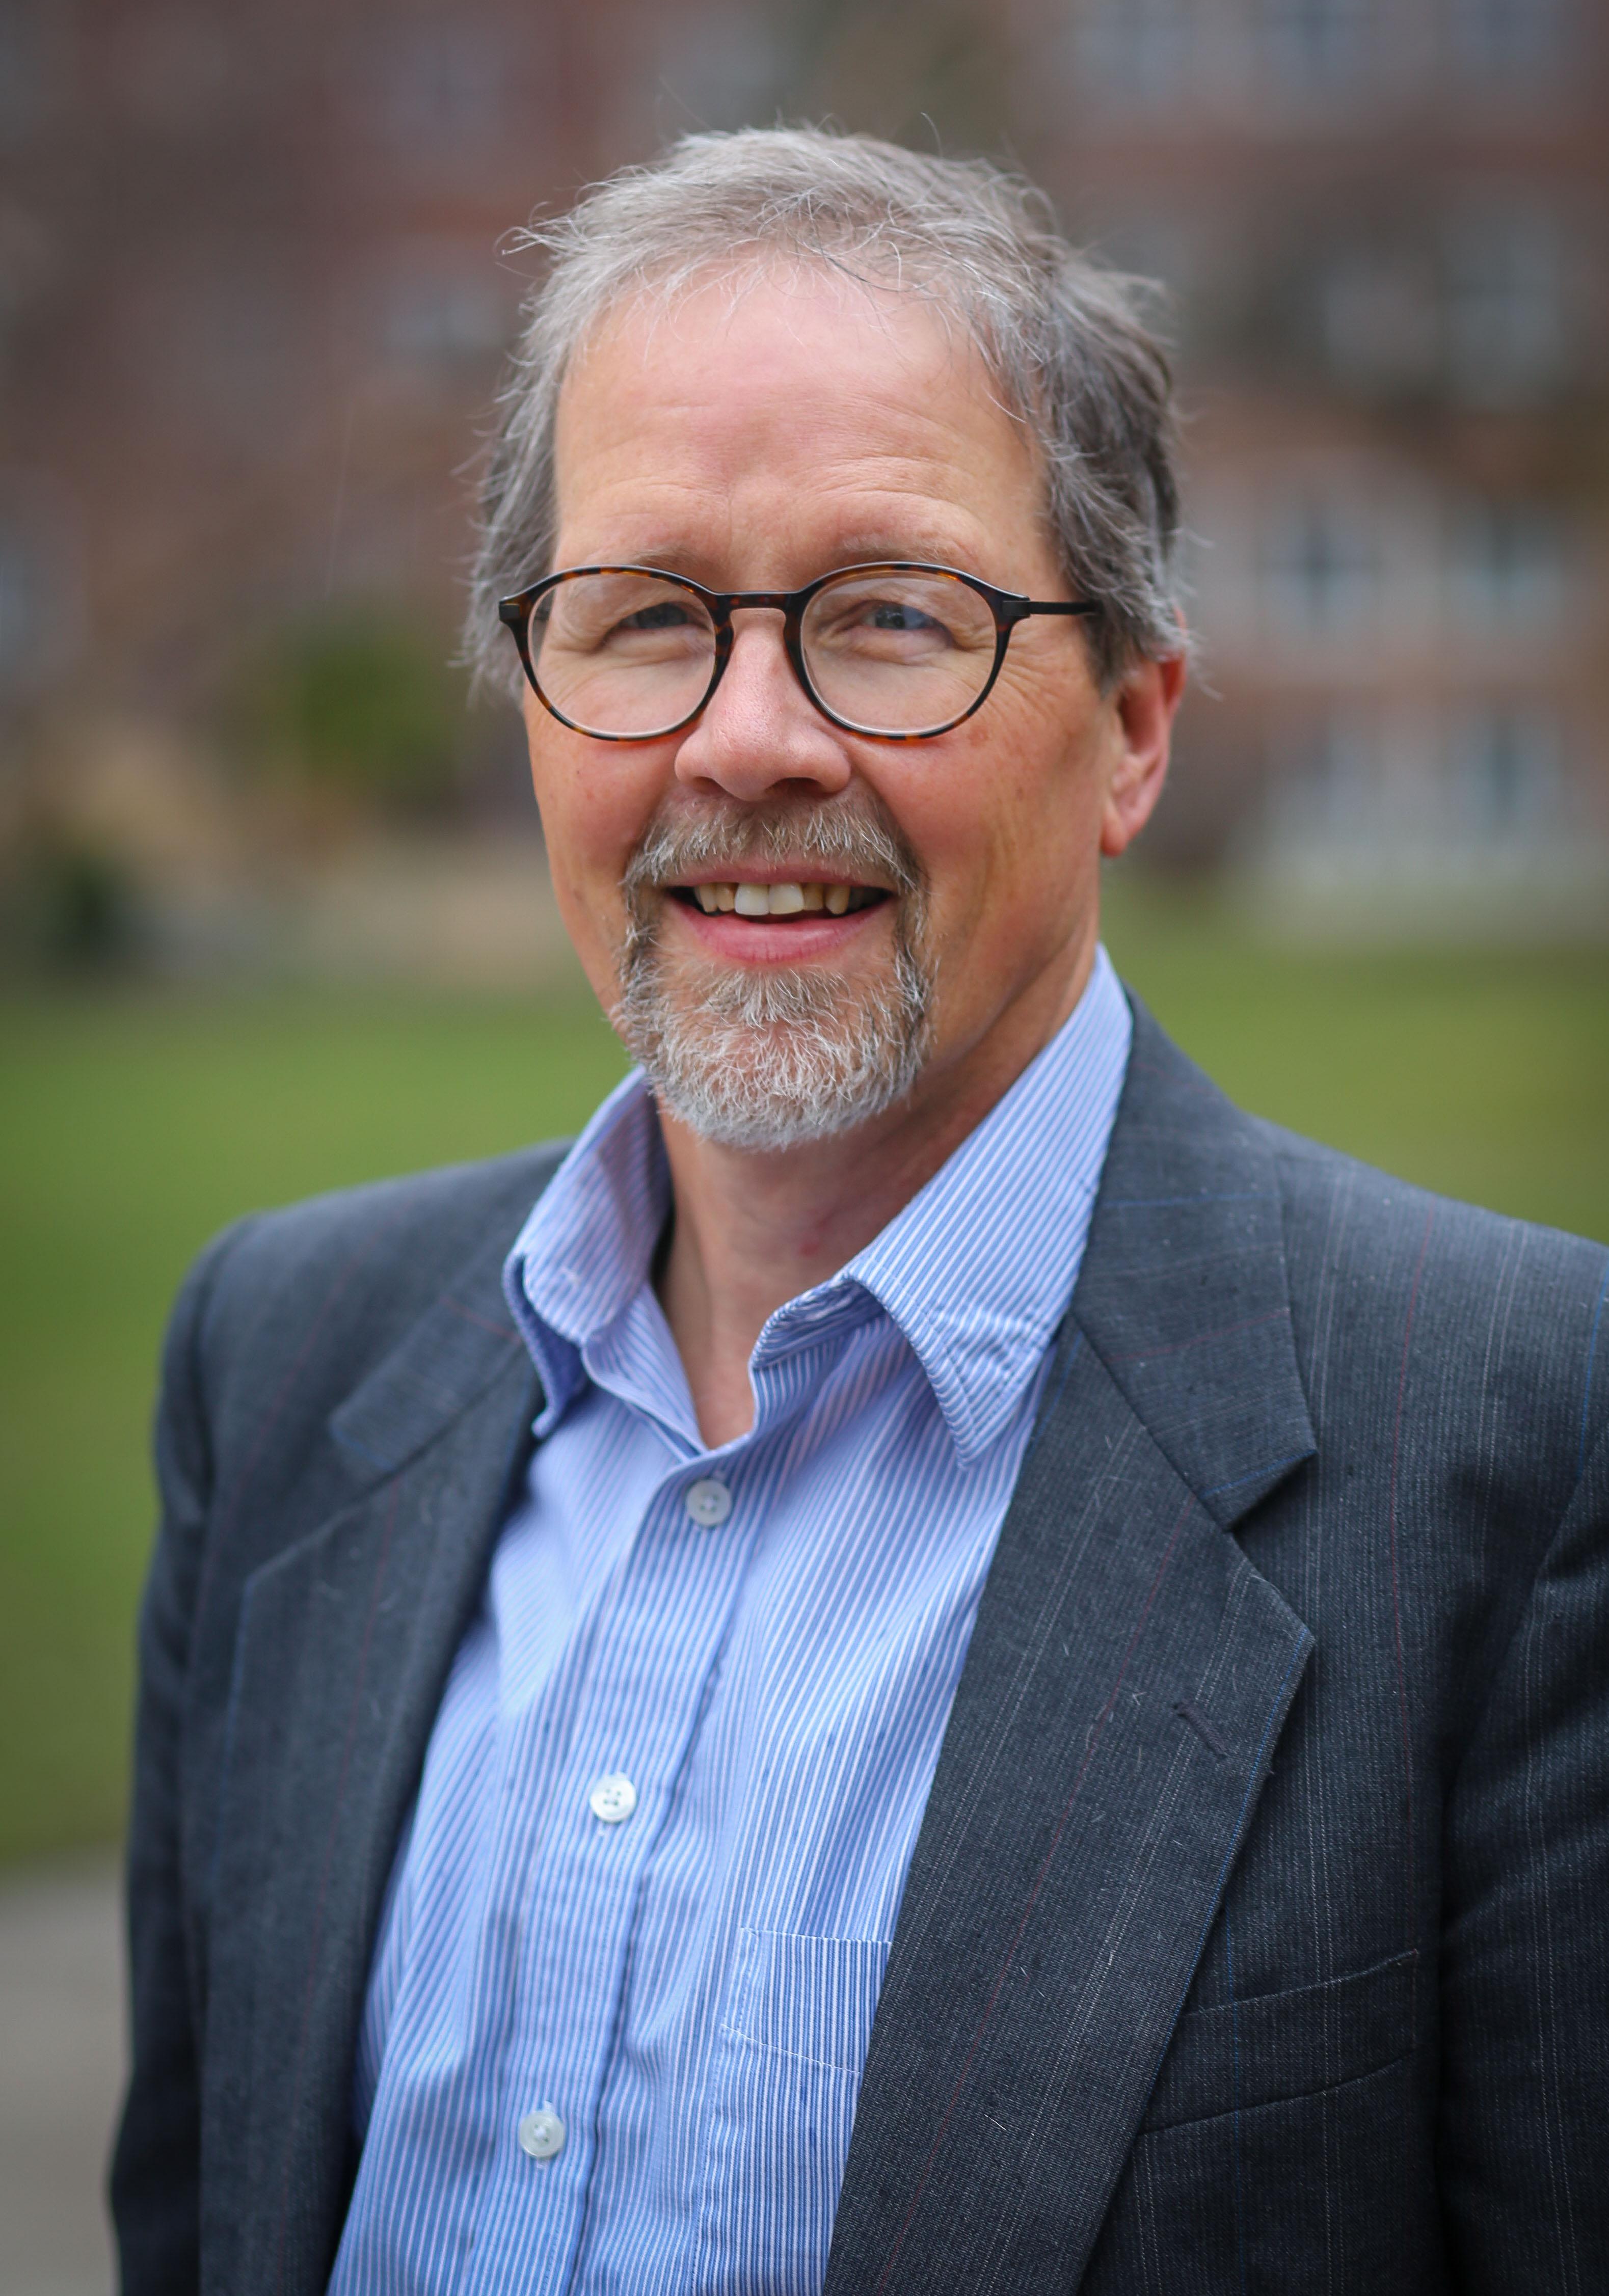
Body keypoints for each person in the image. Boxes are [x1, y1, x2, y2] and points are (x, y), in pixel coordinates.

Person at [113, 130, 1608, 2296]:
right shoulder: (279, 1367)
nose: (746, 739)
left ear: (1130, 728)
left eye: (886, 618)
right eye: (639, 620)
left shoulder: (1511, 1451)